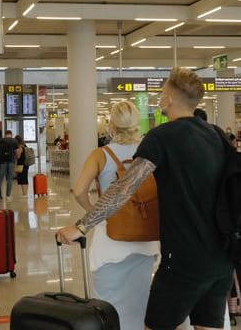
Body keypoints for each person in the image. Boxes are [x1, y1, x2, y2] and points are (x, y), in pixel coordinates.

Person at [57, 68, 233, 330]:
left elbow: (124, 189)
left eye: (163, 92)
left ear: (170, 99)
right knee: (207, 325)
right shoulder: (217, 135)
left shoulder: (161, 137)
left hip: (183, 260)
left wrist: (81, 226)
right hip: (222, 257)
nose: (160, 97)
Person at [72, 101, 159, 330]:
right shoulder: (149, 151)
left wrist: (94, 212)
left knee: (108, 307)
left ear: (111, 124)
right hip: (145, 239)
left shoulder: (101, 154)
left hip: (111, 239)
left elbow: (79, 190)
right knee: (139, 305)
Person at [0, 130, 18, 201]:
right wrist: (15, 158)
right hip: (11, 161)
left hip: (2, 162)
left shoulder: (2, 140)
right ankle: (8, 196)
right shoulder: (14, 141)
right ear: (11, 134)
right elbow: (16, 152)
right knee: (9, 179)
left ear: (5, 134)